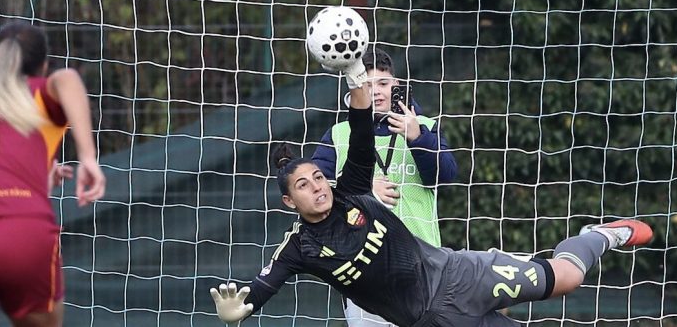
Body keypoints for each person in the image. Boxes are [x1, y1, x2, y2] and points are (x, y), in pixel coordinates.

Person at [210, 56, 653, 327]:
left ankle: (599, 235)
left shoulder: (353, 188)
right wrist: (241, 311)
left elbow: (382, 141)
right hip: (429, 320)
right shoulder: (300, 246)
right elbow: (262, 285)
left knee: (568, 279)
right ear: (290, 202)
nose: (317, 187)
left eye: (319, 179)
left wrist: (355, 80)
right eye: (304, 186)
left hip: (459, 273)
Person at [0, 22, 106, 327]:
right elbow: (68, 79)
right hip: (20, 228)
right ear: (43, 65)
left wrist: (39, 176)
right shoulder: (34, 93)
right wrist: (88, 157)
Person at [311, 48, 457, 327]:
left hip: (423, 267)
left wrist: (416, 137)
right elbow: (318, 195)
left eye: (383, 83)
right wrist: (362, 191)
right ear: (355, 91)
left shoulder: (425, 126)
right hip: (363, 271)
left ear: (397, 87)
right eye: (366, 84)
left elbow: (445, 175)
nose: (375, 91)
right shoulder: (339, 134)